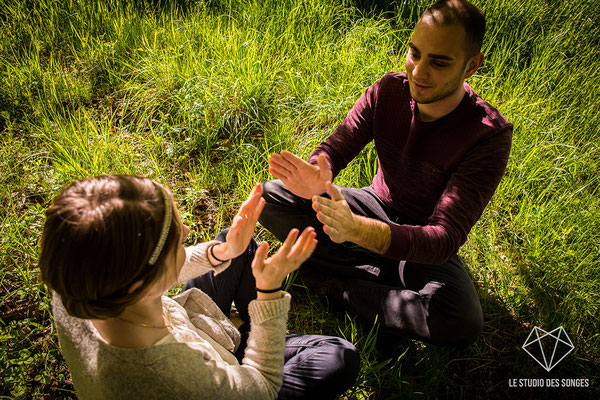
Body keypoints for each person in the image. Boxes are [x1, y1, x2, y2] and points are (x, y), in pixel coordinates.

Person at [259, 0, 513, 348]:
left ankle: (329, 282)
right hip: (374, 203)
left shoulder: (488, 135)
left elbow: (442, 239)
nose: (419, 72)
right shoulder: (388, 91)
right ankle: (381, 286)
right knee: (269, 197)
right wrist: (319, 172)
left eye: (438, 62)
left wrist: (356, 231)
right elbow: (337, 146)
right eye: (414, 53)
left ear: (471, 66)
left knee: (462, 321)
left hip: (420, 238)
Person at [38, 175, 359, 399]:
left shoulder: (80, 279)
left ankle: (245, 328)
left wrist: (221, 252)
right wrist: (269, 293)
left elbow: (156, 274)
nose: (189, 228)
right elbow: (260, 388)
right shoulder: (175, 378)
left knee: (236, 248)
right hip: (230, 377)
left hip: (193, 327)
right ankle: (252, 337)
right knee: (337, 356)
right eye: (178, 239)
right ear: (138, 283)